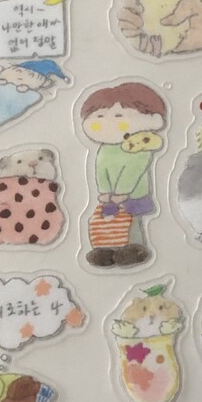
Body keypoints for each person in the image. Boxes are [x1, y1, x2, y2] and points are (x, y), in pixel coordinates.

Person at [80, 82, 167, 267]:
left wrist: (122, 192)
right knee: (109, 222)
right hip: (110, 197)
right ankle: (106, 249)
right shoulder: (105, 149)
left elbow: (133, 170)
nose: (107, 121)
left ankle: (134, 249)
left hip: (133, 195)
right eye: (100, 116)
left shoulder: (140, 147)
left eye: (119, 115)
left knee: (132, 222)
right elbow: (100, 170)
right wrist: (105, 191)